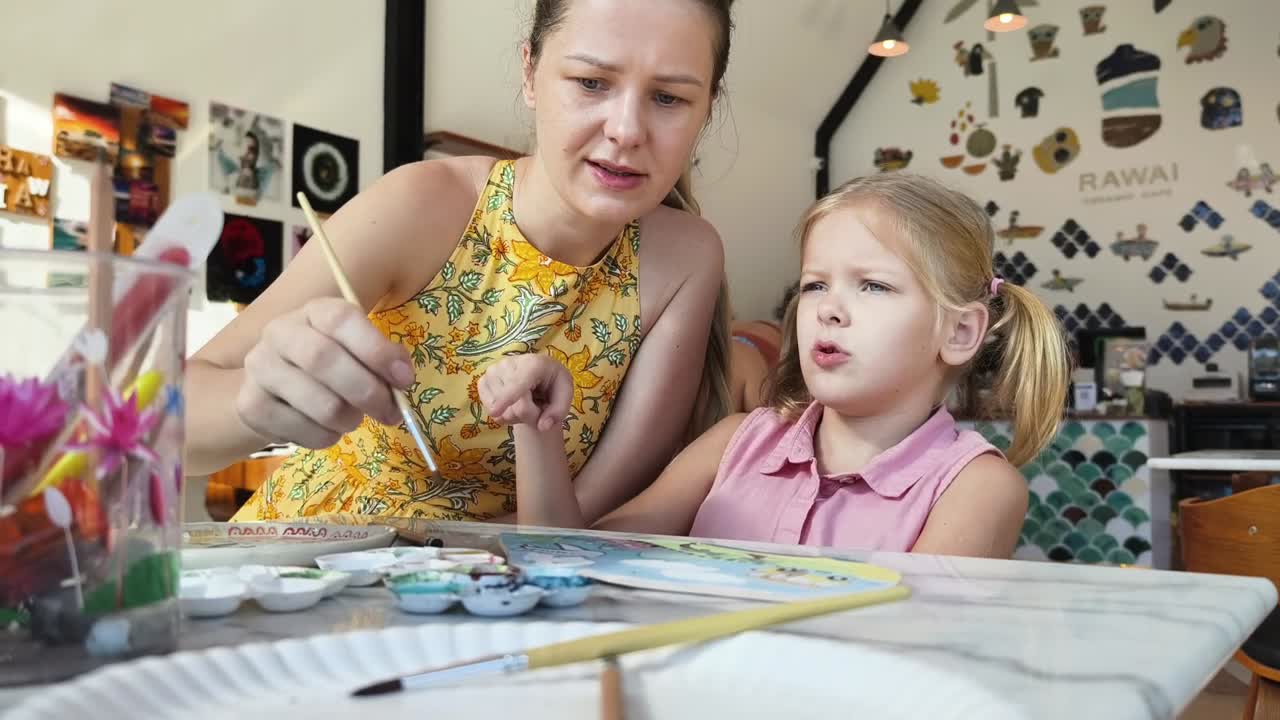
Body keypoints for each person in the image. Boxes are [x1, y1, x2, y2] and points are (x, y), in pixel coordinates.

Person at [184, 0, 737, 523]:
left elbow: (591, 516)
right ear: (530, 73)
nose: (626, 130)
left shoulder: (688, 258)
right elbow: (172, 428)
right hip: (312, 557)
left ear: (706, 108)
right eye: (591, 83)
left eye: (668, 98)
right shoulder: (423, 204)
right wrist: (253, 400)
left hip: (496, 592)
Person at [479, 172, 1069, 558]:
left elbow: (909, 658)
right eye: (814, 285)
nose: (829, 310)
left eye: (875, 287)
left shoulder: (977, 487)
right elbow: (568, 558)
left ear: (961, 330)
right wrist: (537, 429)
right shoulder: (738, 440)